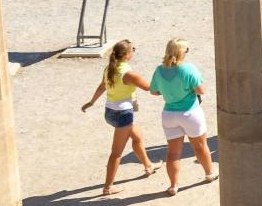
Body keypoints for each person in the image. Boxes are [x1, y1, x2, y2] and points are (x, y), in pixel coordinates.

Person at [79, 38, 156, 197]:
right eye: (133, 49)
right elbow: (150, 87)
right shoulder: (128, 74)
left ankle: (148, 165)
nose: (134, 51)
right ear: (127, 54)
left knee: (137, 137)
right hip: (123, 115)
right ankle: (108, 187)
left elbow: (102, 86)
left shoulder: (110, 68)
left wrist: (91, 102)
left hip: (110, 112)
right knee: (116, 153)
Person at [149, 37, 215, 195]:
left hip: (169, 114)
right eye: (186, 49)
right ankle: (209, 174)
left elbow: (154, 91)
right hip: (190, 113)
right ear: (181, 52)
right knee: (200, 146)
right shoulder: (188, 69)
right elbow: (201, 90)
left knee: (172, 152)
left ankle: (173, 185)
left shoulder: (159, 70)